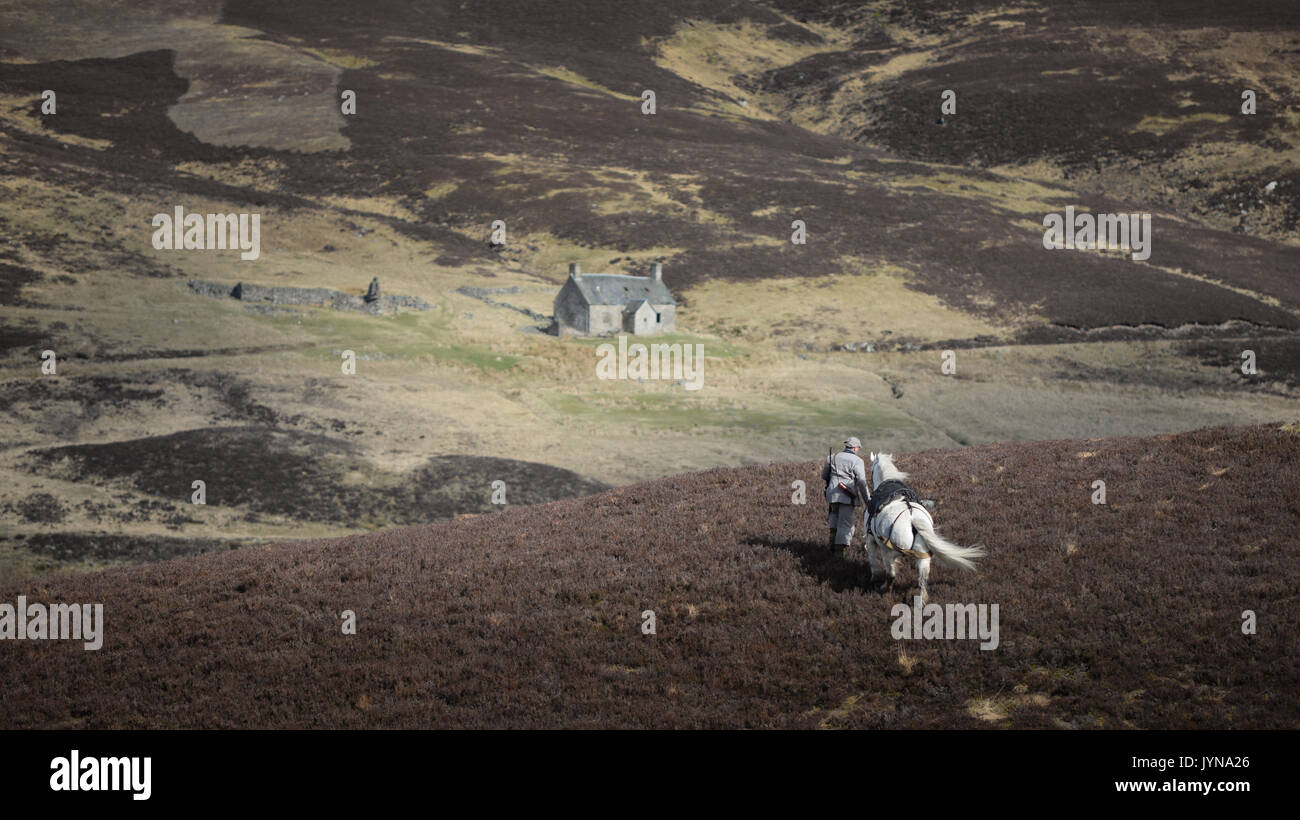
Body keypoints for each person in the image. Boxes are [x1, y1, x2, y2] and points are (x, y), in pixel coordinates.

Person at [821, 436, 872, 554]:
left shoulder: (831, 457)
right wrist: (868, 500)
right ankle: (839, 554)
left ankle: (831, 545)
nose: (858, 450)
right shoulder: (857, 461)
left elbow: (824, 476)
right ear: (855, 448)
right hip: (848, 496)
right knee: (845, 524)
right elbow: (861, 482)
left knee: (834, 517)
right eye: (858, 448)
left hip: (832, 495)